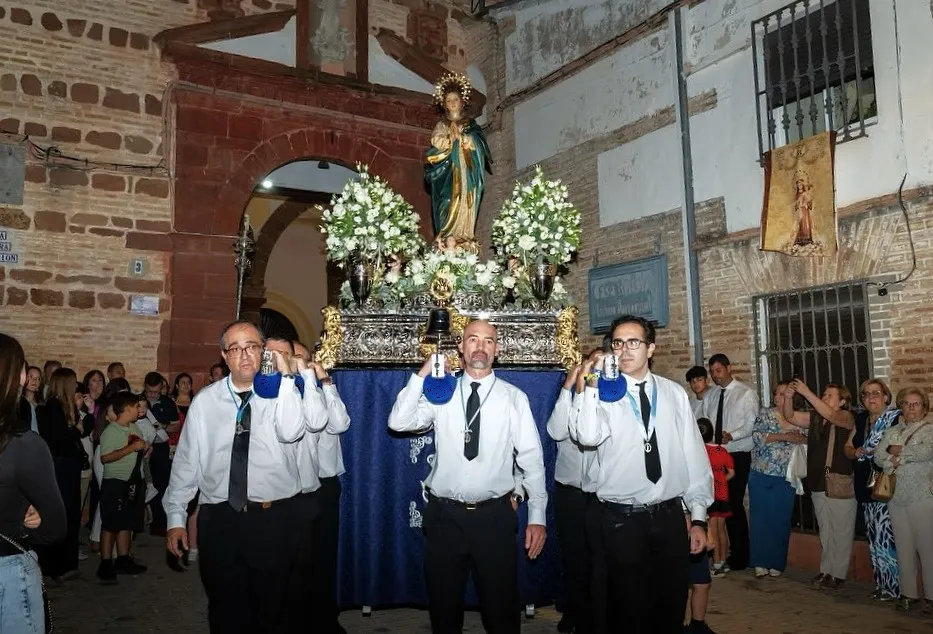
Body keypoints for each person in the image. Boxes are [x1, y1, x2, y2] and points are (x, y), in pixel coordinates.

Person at [164, 320, 328, 634]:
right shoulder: (205, 403)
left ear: (263, 351)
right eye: (236, 349)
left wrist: (287, 381)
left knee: (272, 610)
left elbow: (294, 430)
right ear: (224, 356)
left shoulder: (285, 393)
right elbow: (187, 462)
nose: (244, 356)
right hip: (221, 518)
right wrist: (175, 516)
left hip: (273, 518)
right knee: (225, 608)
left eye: (251, 347)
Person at [388, 319, 547, 633]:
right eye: (473, 339)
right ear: (460, 347)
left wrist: (538, 515)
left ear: (497, 350)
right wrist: (422, 375)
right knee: (444, 609)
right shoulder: (440, 391)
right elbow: (398, 422)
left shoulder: (513, 397)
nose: (480, 347)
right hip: (445, 517)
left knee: (501, 608)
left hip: (494, 518)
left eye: (488, 341)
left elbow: (532, 459)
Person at [573, 315, 712, 634]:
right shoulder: (602, 393)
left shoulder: (674, 393)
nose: (624, 350)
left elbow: (693, 455)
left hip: (668, 518)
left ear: (651, 348)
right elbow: (587, 437)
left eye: (633, 342)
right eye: (618, 343)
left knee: (669, 606)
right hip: (622, 521)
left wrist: (700, 516)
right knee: (627, 610)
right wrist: (591, 385)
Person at [0, 333, 66, 634]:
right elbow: (54, 527)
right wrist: (31, 520)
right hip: (8, 570)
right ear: (20, 376)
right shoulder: (24, 446)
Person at [293, 339, 350, 634]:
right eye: (296, 360)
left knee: (324, 557)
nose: (302, 365)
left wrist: (325, 382)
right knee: (297, 559)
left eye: (305, 359)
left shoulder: (324, 389)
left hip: (325, 485)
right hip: (295, 488)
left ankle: (326, 619)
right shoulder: (284, 394)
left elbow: (340, 424)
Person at [783, 379, 855, 589]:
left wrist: (806, 392)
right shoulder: (816, 418)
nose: (824, 397)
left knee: (841, 531)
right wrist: (788, 397)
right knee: (825, 530)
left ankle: (838, 574)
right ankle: (826, 570)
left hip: (838, 481)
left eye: (829, 395)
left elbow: (831, 415)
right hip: (817, 481)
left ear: (842, 402)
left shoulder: (845, 416)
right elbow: (790, 416)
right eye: (824, 394)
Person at [874, 388, 933, 612]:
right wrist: (894, 458)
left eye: (916, 404)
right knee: (904, 548)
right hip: (896, 497)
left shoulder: (930, 430)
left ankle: (931, 596)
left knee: (927, 549)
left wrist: (897, 454)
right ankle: (909, 594)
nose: (911, 408)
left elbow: (926, 452)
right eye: (907, 404)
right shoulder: (892, 430)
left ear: (924, 408)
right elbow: (879, 457)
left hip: (922, 496)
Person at [702, 354, 759, 571]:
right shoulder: (711, 395)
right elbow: (707, 421)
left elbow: (750, 424)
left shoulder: (746, 394)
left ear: (729, 367)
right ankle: (722, 553)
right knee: (719, 508)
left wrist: (731, 436)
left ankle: (741, 555)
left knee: (734, 504)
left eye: (719, 370)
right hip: (714, 454)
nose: (716, 375)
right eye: (712, 371)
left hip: (736, 454)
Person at [844, 378, 900, 601]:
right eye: (866, 394)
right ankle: (882, 585)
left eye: (876, 393)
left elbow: (898, 447)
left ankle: (894, 587)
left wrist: (877, 450)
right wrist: (855, 451)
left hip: (885, 483)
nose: (871, 398)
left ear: (886, 397)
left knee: (888, 536)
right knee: (874, 537)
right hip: (864, 484)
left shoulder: (895, 418)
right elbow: (847, 447)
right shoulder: (861, 419)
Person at [36, 367, 94, 582]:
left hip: (69, 466)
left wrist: (88, 413)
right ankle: (57, 566)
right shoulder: (52, 407)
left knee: (71, 514)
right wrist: (75, 428)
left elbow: (84, 429)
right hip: (60, 467)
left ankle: (67, 563)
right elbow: (58, 438)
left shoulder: (67, 407)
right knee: (62, 514)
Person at [425, 72, 492, 250]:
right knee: (446, 202)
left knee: (466, 200)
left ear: (462, 101)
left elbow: (479, 143)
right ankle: (446, 236)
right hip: (448, 173)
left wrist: (465, 139)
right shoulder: (442, 125)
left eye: (455, 99)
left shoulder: (471, 124)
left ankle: (465, 235)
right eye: (449, 100)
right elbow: (435, 143)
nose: (452, 103)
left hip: (467, 174)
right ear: (444, 105)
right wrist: (450, 139)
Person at [748, 382, 806, 579]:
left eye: (784, 393)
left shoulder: (799, 418)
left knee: (780, 520)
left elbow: (807, 439)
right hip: (761, 473)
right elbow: (757, 436)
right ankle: (759, 561)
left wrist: (796, 438)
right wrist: (785, 436)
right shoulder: (765, 414)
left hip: (786, 476)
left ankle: (776, 562)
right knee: (761, 518)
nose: (779, 397)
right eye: (778, 393)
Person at [96, 393, 149, 582]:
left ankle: (123, 558)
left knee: (128, 521)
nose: (139, 410)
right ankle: (105, 562)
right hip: (116, 481)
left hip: (133, 481)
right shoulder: (111, 431)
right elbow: (105, 457)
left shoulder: (134, 427)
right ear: (126, 409)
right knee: (111, 523)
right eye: (136, 407)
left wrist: (145, 448)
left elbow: (139, 449)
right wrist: (131, 448)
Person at [143, 371, 180, 537]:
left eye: (156, 392)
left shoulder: (167, 402)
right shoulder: (138, 401)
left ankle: (159, 523)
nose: (152, 395)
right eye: (149, 391)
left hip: (160, 449)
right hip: (141, 449)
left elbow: (176, 426)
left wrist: (162, 427)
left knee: (161, 485)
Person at [697, 417, 734, 577]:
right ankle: (724, 561)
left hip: (710, 495)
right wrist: (721, 482)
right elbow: (732, 473)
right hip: (723, 495)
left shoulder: (701, 452)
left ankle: (717, 563)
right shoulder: (722, 451)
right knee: (722, 529)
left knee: (712, 530)